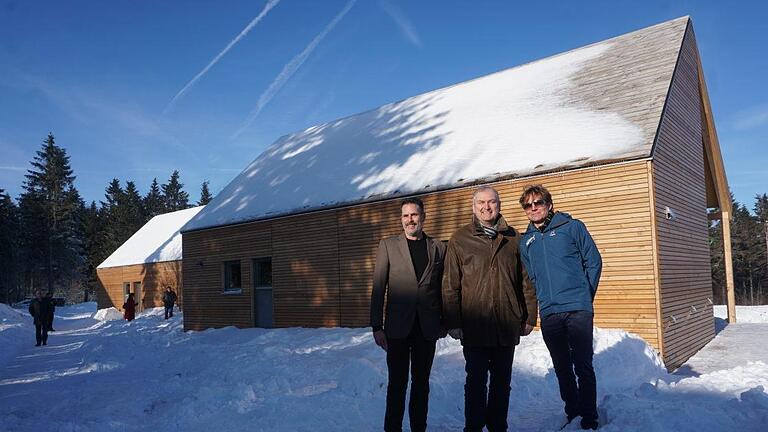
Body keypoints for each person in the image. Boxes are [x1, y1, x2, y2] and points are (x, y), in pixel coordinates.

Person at [442, 186, 538, 432]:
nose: (487, 207)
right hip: (474, 325)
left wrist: (529, 316)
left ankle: (498, 426)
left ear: (499, 205)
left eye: (492, 202)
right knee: (475, 382)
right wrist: (453, 321)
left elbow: (526, 281)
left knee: (501, 383)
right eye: (481, 203)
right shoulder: (459, 239)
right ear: (474, 208)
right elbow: (450, 284)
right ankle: (473, 427)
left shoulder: (513, 239)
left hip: (506, 323)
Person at [518, 184, 602, 431]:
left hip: (577, 308)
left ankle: (589, 416)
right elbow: (531, 277)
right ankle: (572, 411)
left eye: (538, 202)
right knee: (561, 366)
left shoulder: (572, 227)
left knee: (583, 365)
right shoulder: (527, 242)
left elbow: (593, 261)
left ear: (549, 204)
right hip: (550, 312)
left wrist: (584, 295)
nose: (534, 208)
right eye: (528, 205)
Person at [370, 197, 447, 432]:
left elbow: (444, 287)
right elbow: (378, 286)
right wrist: (376, 326)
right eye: (405, 215)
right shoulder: (388, 246)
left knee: (421, 384)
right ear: (401, 219)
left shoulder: (438, 247)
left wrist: (445, 321)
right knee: (397, 384)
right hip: (397, 328)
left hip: (427, 328)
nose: (410, 219)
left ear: (423, 217)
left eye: (414, 215)